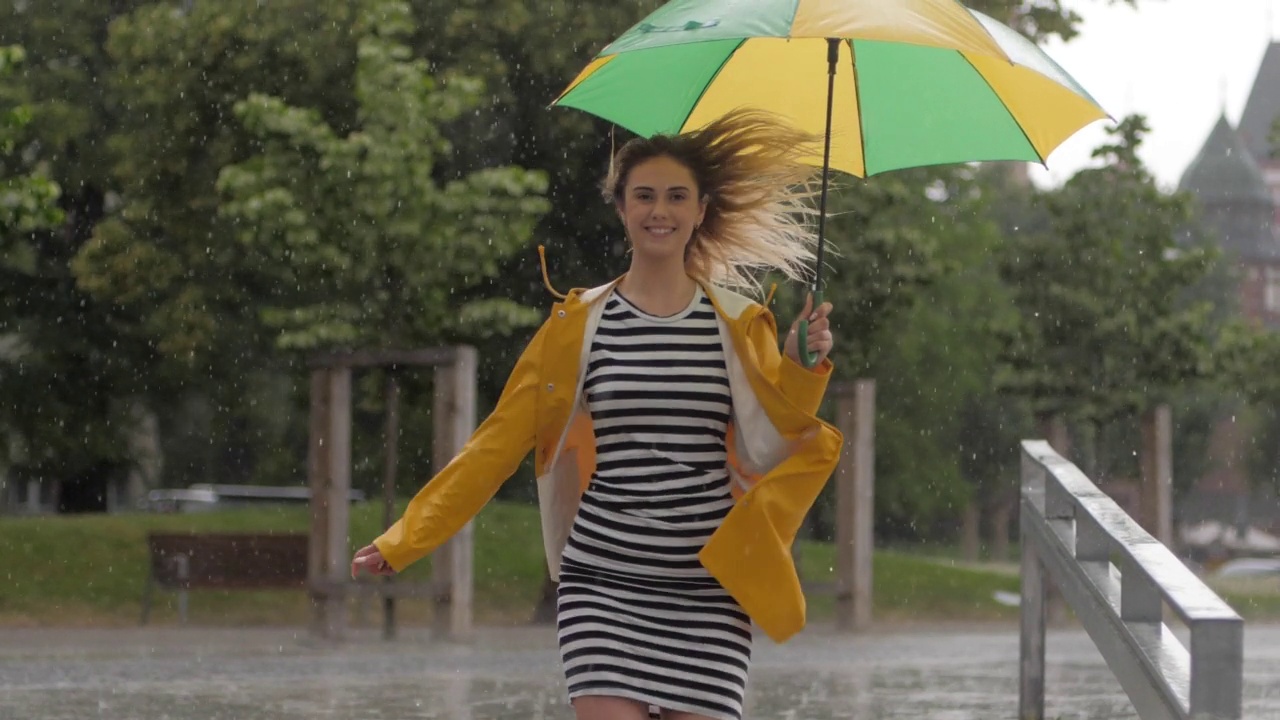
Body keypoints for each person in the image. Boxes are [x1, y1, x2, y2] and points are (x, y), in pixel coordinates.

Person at [351, 108, 844, 720]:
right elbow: (495, 445)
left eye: (675, 196)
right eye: (643, 195)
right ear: (621, 206)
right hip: (604, 581)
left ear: (700, 210)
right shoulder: (578, 325)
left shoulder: (741, 325)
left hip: (710, 587)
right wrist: (404, 538)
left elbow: (774, 443)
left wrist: (799, 363)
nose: (658, 210)